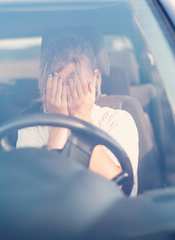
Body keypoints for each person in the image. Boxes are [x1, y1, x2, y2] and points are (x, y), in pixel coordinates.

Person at [16, 33, 139, 196]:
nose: (67, 90)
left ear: (95, 79)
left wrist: (82, 120)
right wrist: (59, 124)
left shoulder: (118, 120)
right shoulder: (31, 126)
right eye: (59, 82)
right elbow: (37, 194)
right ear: (46, 84)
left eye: (75, 81)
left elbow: (121, 190)